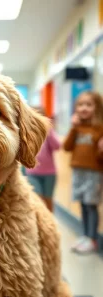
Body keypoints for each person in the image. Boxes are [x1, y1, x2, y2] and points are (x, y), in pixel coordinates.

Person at [64, 91, 103, 254]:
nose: (84, 108)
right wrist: (73, 127)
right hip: (78, 171)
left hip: (93, 173)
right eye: (80, 105)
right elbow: (66, 147)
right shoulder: (78, 127)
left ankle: (92, 239)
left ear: (97, 108)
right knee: (82, 204)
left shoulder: (99, 128)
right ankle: (85, 235)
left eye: (88, 105)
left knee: (90, 205)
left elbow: (100, 156)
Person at [26, 107, 60, 212]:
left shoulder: (48, 131)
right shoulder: (27, 132)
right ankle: (39, 222)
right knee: (37, 199)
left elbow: (57, 146)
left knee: (48, 200)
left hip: (49, 174)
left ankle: (49, 223)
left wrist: (49, 130)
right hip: (33, 173)